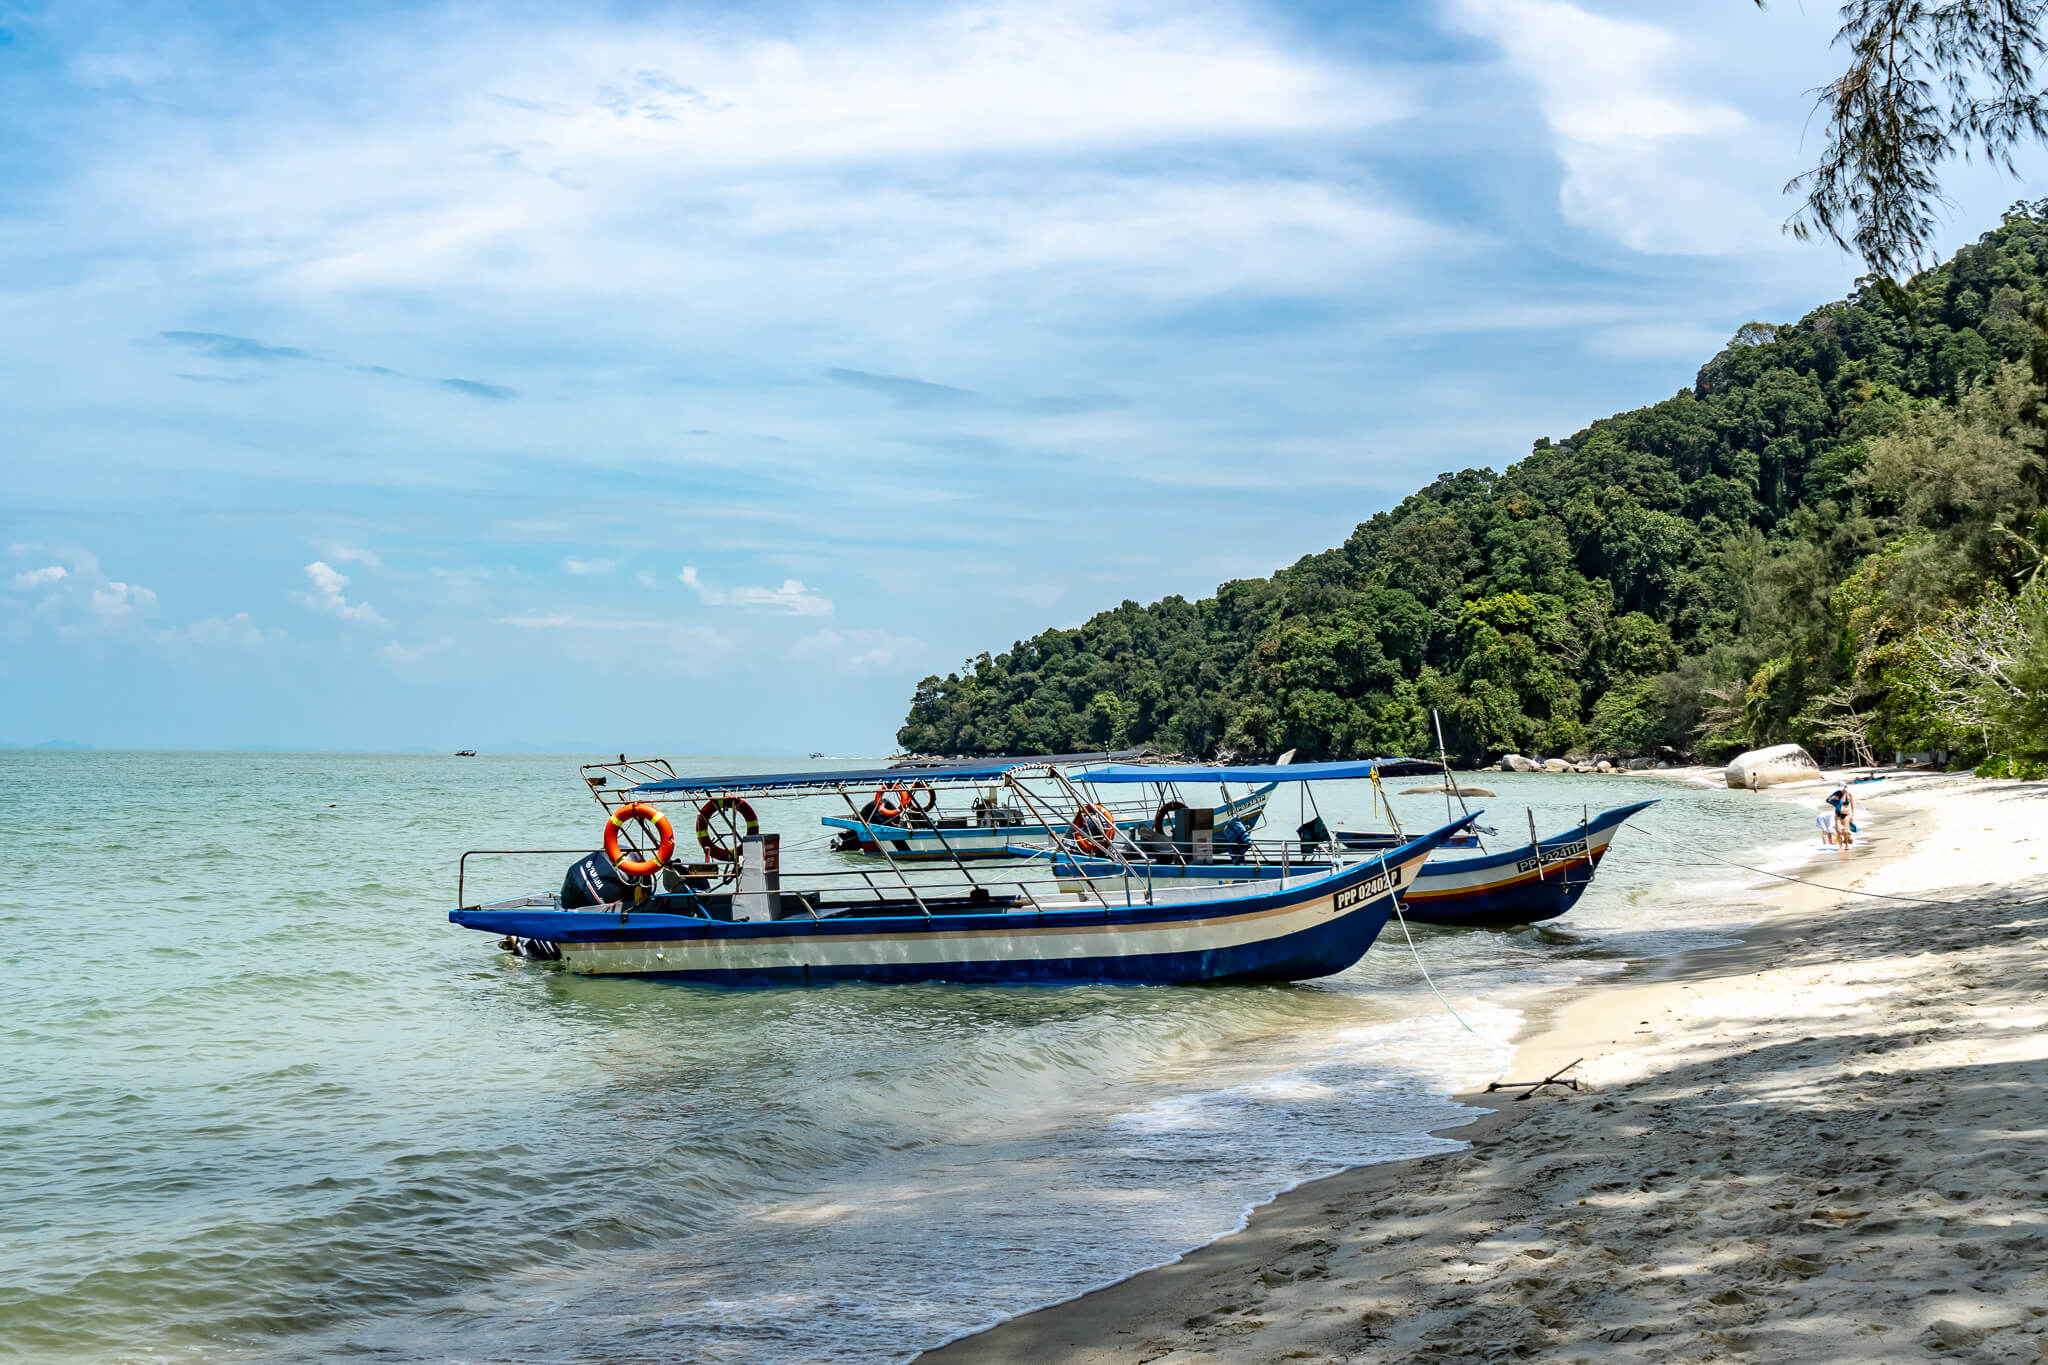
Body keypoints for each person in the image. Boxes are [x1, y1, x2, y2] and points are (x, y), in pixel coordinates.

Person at [1825, 783, 1856, 847]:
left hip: (1846, 814)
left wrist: (1852, 815)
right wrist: (1832, 798)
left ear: (1845, 787)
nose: (1841, 790)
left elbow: (1852, 805)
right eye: (1840, 788)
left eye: (1842, 788)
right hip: (1837, 814)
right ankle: (1840, 847)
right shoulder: (1837, 793)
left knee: (1845, 831)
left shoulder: (1849, 794)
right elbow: (1827, 799)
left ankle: (1847, 845)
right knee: (1839, 831)